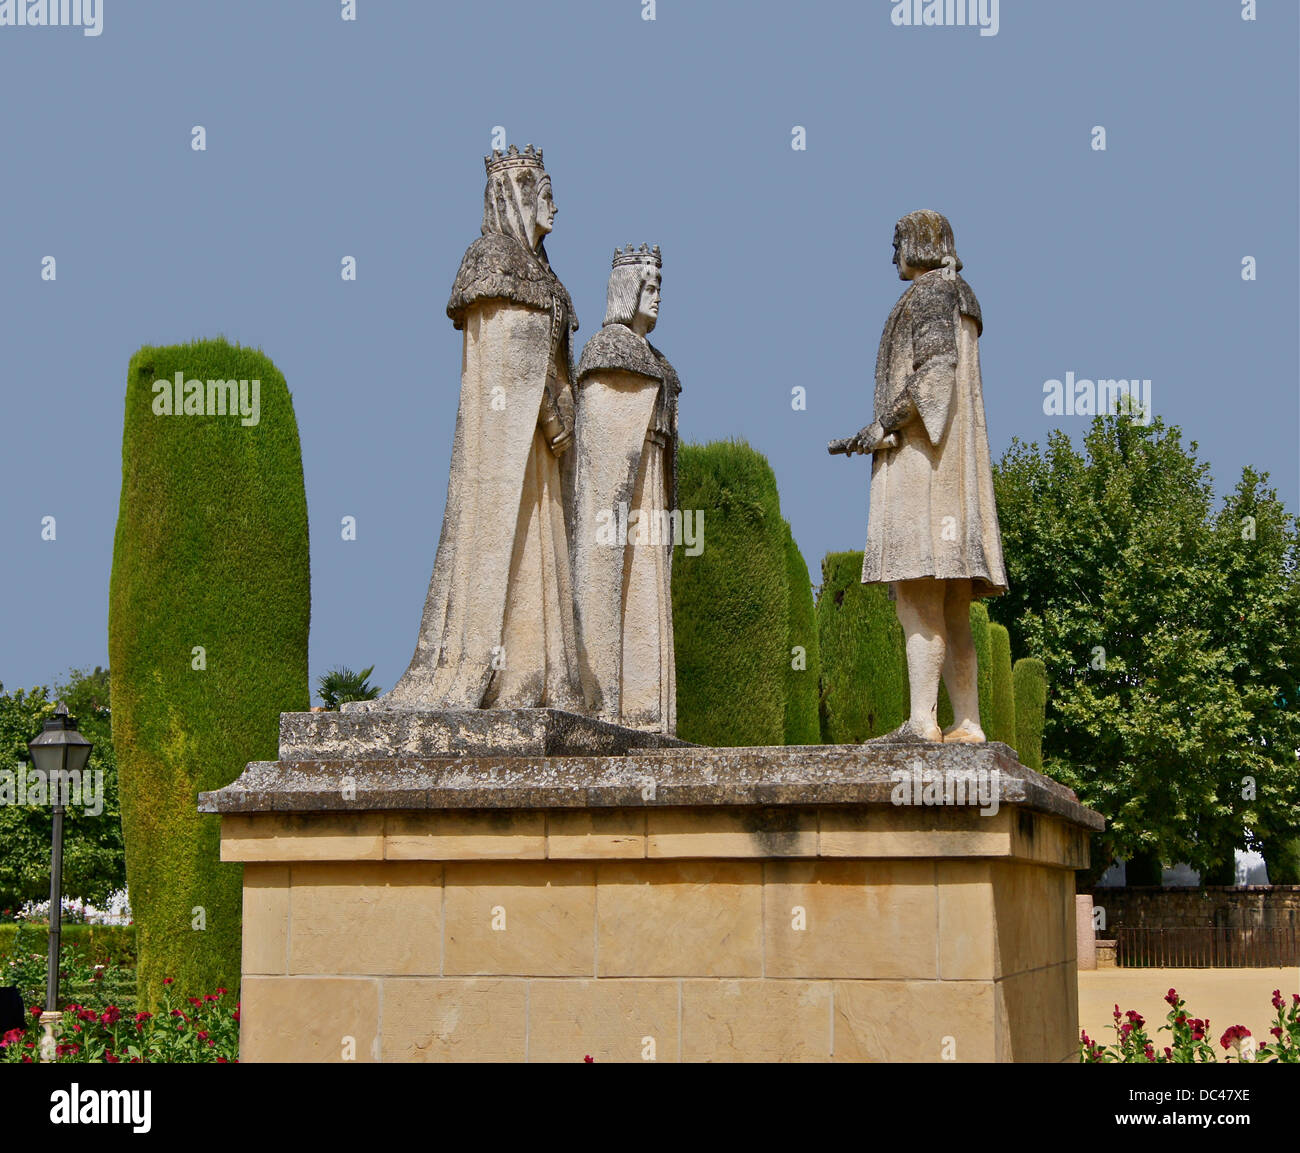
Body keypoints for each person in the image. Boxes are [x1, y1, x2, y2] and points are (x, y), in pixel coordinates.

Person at [357, 146, 583, 711]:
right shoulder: (491, 261)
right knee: (506, 541)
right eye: (544, 192)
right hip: (509, 446)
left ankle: (542, 678)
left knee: (542, 539)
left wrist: (565, 416)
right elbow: (508, 364)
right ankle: (502, 675)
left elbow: (554, 363)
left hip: (543, 453)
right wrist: (552, 416)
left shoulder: (546, 277)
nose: (554, 204)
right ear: (517, 194)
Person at [848, 210, 1007, 742]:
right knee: (954, 604)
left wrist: (882, 424)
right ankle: (968, 723)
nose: (891, 253)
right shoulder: (959, 295)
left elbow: (935, 374)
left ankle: (921, 722)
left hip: (926, 469)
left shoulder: (932, 295)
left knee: (917, 593)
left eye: (896, 242)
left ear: (917, 243)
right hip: (955, 475)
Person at [570, 245, 680, 733]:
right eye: (649, 287)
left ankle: (647, 712)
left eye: (660, 288)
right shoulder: (607, 350)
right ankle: (607, 703)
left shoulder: (656, 359)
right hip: (624, 496)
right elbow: (600, 452)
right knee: (615, 584)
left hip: (651, 481)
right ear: (626, 288)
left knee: (647, 590)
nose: (656, 298)